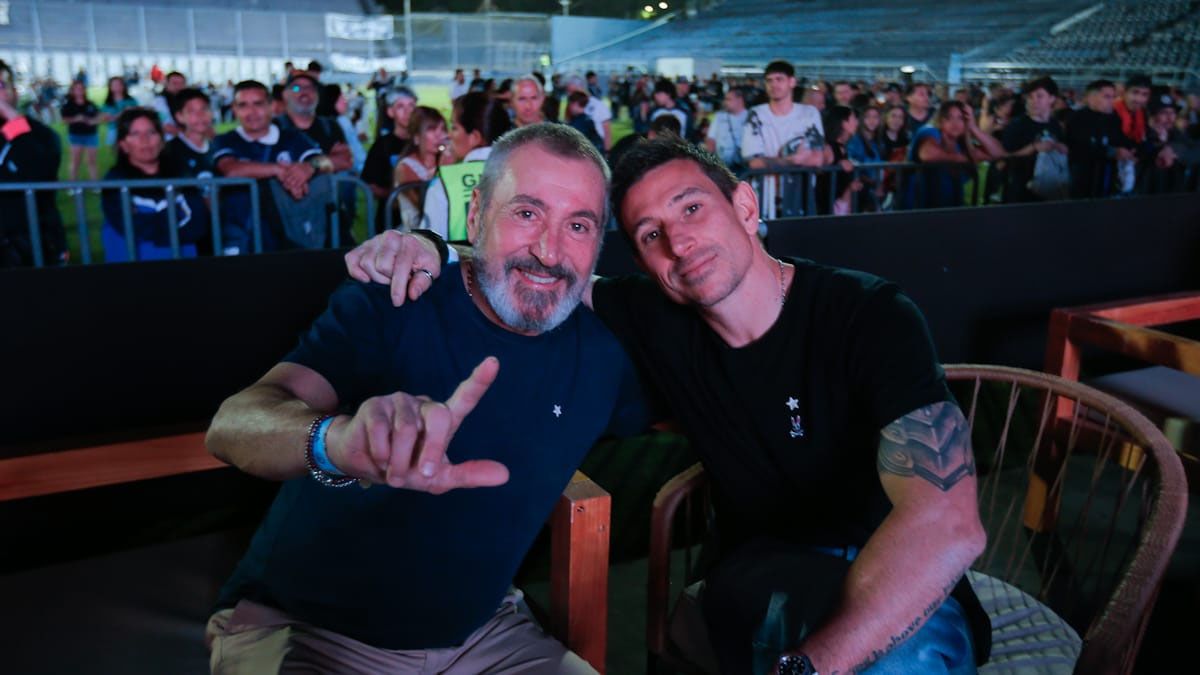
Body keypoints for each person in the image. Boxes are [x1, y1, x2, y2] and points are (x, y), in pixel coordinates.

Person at [346, 136, 992, 675]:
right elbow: (538, 266)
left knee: (907, 658)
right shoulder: (655, 314)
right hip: (762, 569)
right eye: (649, 233)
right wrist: (426, 243)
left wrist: (810, 668)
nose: (678, 243)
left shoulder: (867, 312)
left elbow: (947, 524)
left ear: (745, 204)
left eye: (691, 210)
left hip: (894, 565)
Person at [204, 123, 647, 675]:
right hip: (308, 628)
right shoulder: (399, 295)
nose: (548, 250)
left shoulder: (606, 355)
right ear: (476, 213)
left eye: (577, 225)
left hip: (485, 633)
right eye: (527, 213)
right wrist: (335, 441)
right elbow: (232, 424)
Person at [211, 80, 332, 255]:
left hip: (287, 232)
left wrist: (308, 167)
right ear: (234, 109)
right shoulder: (225, 140)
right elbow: (231, 170)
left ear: (272, 106)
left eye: (258, 104)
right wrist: (279, 170)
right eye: (243, 105)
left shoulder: (291, 138)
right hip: (238, 232)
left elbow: (325, 162)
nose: (251, 112)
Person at [100, 108, 209, 263]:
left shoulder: (181, 174)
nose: (145, 140)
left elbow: (198, 223)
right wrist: (176, 216)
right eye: (135, 134)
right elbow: (127, 225)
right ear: (123, 144)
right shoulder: (115, 180)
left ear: (162, 139)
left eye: (151, 132)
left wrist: (150, 222)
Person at [418, 92, 512, 241]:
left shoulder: (444, 182)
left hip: (459, 263)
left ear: (474, 137)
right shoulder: (522, 175)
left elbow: (426, 245)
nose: (449, 135)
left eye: (454, 128)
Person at [741, 60, 829, 219]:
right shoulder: (756, 114)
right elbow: (754, 162)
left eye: (779, 79)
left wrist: (774, 161)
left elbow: (817, 158)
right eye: (769, 80)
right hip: (765, 199)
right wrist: (793, 160)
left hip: (800, 197)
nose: (774, 85)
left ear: (792, 82)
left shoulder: (809, 113)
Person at [0, 59, 66, 267]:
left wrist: (12, 120)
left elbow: (41, 168)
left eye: (1, 86)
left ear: (14, 92)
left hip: (29, 245)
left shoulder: (38, 135)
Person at [905, 101, 1004, 209]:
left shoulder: (962, 144)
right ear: (940, 120)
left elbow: (998, 153)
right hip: (918, 212)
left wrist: (973, 127)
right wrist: (965, 158)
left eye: (961, 118)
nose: (955, 123)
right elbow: (928, 154)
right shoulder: (929, 131)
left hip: (951, 211)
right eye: (949, 118)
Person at [1001, 76, 1068, 203]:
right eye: (1030, 97)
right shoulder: (1017, 125)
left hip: (1049, 191)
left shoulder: (1055, 125)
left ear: (1052, 99)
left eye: (1039, 96)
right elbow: (1004, 155)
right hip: (1020, 192)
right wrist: (1034, 148)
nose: (1033, 101)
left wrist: (1061, 148)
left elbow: (1063, 148)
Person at [1066, 79, 1135, 199]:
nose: (1112, 101)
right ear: (1091, 98)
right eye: (1107, 97)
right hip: (1083, 178)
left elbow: (1120, 139)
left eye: (1113, 97)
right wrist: (1112, 151)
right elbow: (1079, 147)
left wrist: (1130, 150)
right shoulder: (1077, 118)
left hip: (1107, 177)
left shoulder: (1113, 118)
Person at [362, 87, 419, 231]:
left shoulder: (425, 142)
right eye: (400, 106)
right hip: (390, 221)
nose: (408, 112)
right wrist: (398, 197)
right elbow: (371, 186)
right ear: (390, 112)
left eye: (411, 106)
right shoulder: (382, 145)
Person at [392, 106, 450, 231]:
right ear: (416, 137)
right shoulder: (405, 167)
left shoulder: (448, 160)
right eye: (432, 129)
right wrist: (443, 168)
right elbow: (424, 206)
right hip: (418, 233)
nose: (439, 135)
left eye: (443, 129)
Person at [165, 87, 216, 180]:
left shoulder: (218, 147)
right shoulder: (169, 151)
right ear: (179, 117)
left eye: (204, 109)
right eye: (192, 111)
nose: (200, 115)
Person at [62, 80, 101, 182]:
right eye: (77, 89)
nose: (79, 91)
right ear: (73, 91)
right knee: (76, 161)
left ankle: (95, 185)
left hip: (91, 135)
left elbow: (99, 116)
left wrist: (94, 121)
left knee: (91, 161)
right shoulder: (68, 105)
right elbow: (64, 120)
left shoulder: (91, 104)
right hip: (76, 135)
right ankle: (73, 185)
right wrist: (76, 119)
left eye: (81, 88)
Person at [705, 87, 749, 174]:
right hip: (722, 167)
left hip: (744, 168)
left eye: (728, 99)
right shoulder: (719, 117)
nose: (725, 102)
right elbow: (711, 140)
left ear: (739, 100)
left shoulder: (751, 117)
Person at [565, 74, 612, 152]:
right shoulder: (571, 105)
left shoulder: (597, 105)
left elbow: (607, 130)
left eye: (571, 91)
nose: (569, 94)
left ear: (581, 87)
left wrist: (608, 151)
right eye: (568, 91)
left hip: (595, 149)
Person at [1113, 74, 1152, 146]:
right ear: (1124, 92)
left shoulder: (1144, 114)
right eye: (1135, 92)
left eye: (1145, 94)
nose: (1139, 99)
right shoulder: (1111, 111)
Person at [101, 76, 138, 146]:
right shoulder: (107, 103)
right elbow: (104, 118)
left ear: (123, 86)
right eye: (114, 85)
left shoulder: (131, 101)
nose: (117, 87)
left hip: (129, 131)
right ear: (110, 87)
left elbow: (137, 116)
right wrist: (121, 114)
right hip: (113, 131)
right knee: (117, 155)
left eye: (119, 84)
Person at [153, 71, 187, 139]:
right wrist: (190, 135)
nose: (179, 86)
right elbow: (166, 126)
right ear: (166, 84)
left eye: (182, 83)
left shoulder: (187, 100)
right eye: (175, 83)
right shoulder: (159, 102)